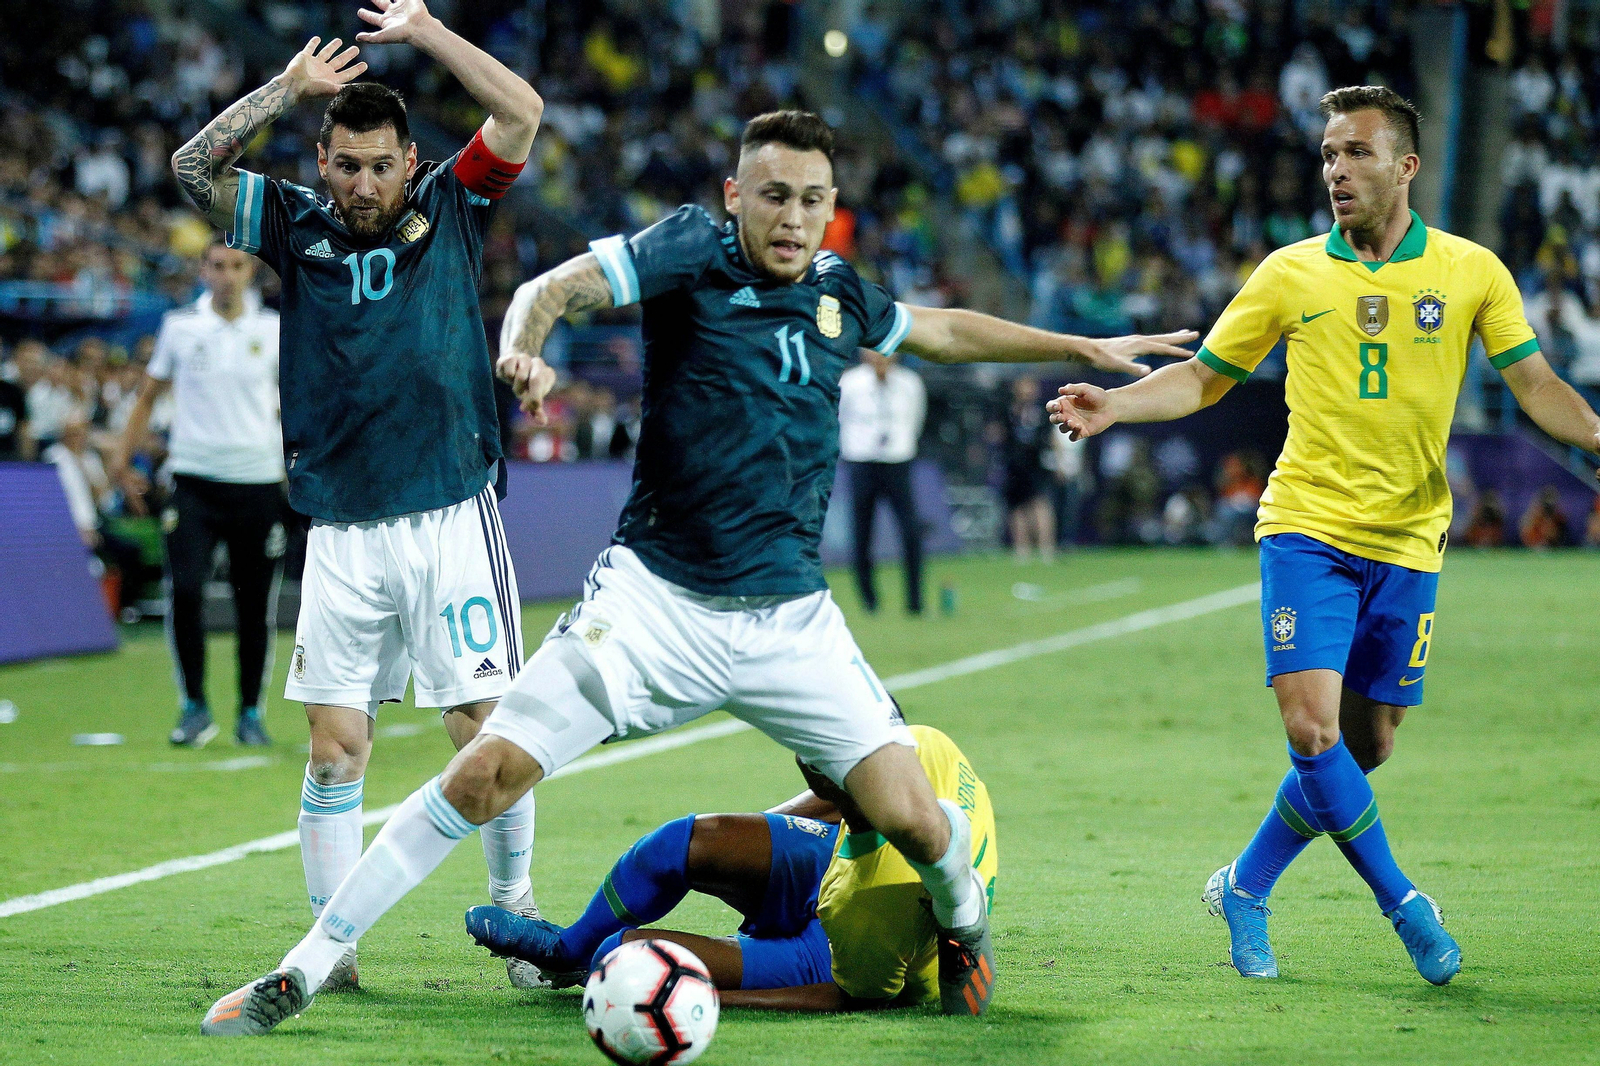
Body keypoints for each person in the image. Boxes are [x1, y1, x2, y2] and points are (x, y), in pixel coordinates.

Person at [201, 107, 1195, 1033]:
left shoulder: (838, 293)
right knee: (483, 771)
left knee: (919, 825)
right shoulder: (688, 251)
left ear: (830, 207)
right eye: (774, 195)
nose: (793, 217)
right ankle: (307, 964)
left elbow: (937, 330)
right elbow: (553, 288)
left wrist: (1077, 346)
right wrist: (526, 349)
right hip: (652, 605)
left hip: (788, 623)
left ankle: (965, 923)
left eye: (812, 199)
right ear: (735, 195)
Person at [1049, 86, 1600, 985]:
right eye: (1329, 156)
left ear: (1406, 166)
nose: (1337, 171)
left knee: (1366, 745)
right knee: (1311, 731)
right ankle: (1406, 906)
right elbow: (1205, 378)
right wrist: (1117, 405)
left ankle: (1245, 884)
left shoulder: (1471, 271)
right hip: (1306, 527)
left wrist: (1596, 434)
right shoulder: (1289, 273)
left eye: (1357, 153)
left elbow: (1534, 383)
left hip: (1411, 540)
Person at [172, 0, 549, 993]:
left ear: (409, 161)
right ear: (323, 159)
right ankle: (331, 945)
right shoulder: (291, 222)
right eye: (346, 165)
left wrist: (424, 32)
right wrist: (283, 89)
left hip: (448, 511)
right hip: (340, 524)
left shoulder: (454, 202)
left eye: (382, 166)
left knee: (486, 728)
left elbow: (521, 112)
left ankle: (515, 914)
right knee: (336, 751)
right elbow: (192, 170)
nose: (364, 184)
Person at [463, 724, 997, 1012]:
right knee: (680, 844)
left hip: (838, 955)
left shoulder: (863, 907)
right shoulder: (927, 746)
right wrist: (746, 845)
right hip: (842, 858)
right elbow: (852, 790)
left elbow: (854, 995)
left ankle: (591, 960)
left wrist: (714, 995)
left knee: (622, 959)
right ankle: (566, 951)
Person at [112, 242, 285, 748]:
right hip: (193, 481)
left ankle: (250, 712)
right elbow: (148, 396)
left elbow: (298, 401)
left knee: (253, 604)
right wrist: (121, 460)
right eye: (218, 266)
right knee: (185, 592)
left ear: (250, 272)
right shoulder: (180, 326)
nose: (227, 275)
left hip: (258, 481)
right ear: (203, 271)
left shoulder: (274, 329)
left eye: (237, 266)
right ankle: (194, 707)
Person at [838, 349, 926, 613]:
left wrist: (901, 444)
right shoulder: (850, 382)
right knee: (862, 532)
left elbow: (916, 419)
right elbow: (840, 419)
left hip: (897, 460)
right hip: (861, 460)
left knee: (910, 530)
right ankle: (869, 600)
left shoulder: (910, 383)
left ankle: (915, 601)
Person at [1002, 376, 1058, 562]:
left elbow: (1050, 437)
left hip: (1036, 464)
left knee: (1039, 504)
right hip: (1015, 465)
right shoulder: (1008, 411)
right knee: (1016, 507)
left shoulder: (1042, 411)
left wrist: (1057, 461)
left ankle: (1046, 547)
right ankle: (1021, 549)